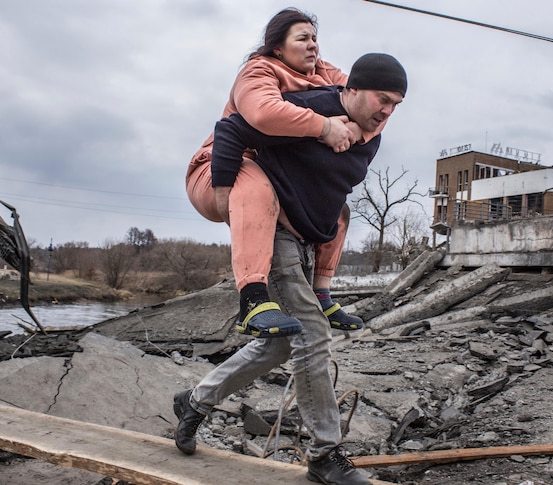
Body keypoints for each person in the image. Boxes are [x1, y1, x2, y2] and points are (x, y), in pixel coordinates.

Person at [174, 53, 407, 485]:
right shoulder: (315, 108)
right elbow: (232, 128)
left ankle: (195, 400)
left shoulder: (370, 133)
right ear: (352, 90)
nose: (388, 111)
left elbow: (329, 190)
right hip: (273, 231)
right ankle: (324, 454)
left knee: (283, 344)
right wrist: (226, 192)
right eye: (382, 98)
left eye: (396, 104)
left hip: (303, 242)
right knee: (313, 335)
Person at [185, 8, 367, 339]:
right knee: (253, 178)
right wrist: (325, 126)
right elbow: (263, 113)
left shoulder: (323, 73)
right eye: (303, 38)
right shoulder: (258, 71)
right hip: (220, 170)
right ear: (278, 48)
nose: (313, 45)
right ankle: (253, 300)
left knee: (338, 211)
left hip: (273, 181)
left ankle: (323, 294)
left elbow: (367, 100)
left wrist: (357, 124)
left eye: (315, 38)